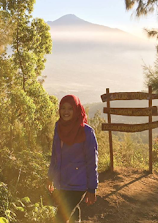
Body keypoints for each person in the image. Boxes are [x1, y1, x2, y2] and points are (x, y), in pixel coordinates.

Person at [47, 95, 98, 223]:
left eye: (70, 108)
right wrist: (50, 177)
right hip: (61, 182)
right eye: (63, 108)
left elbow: (92, 162)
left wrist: (92, 189)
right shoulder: (59, 127)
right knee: (72, 212)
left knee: (60, 217)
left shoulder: (87, 132)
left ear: (76, 110)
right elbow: (55, 155)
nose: (66, 111)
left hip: (78, 184)